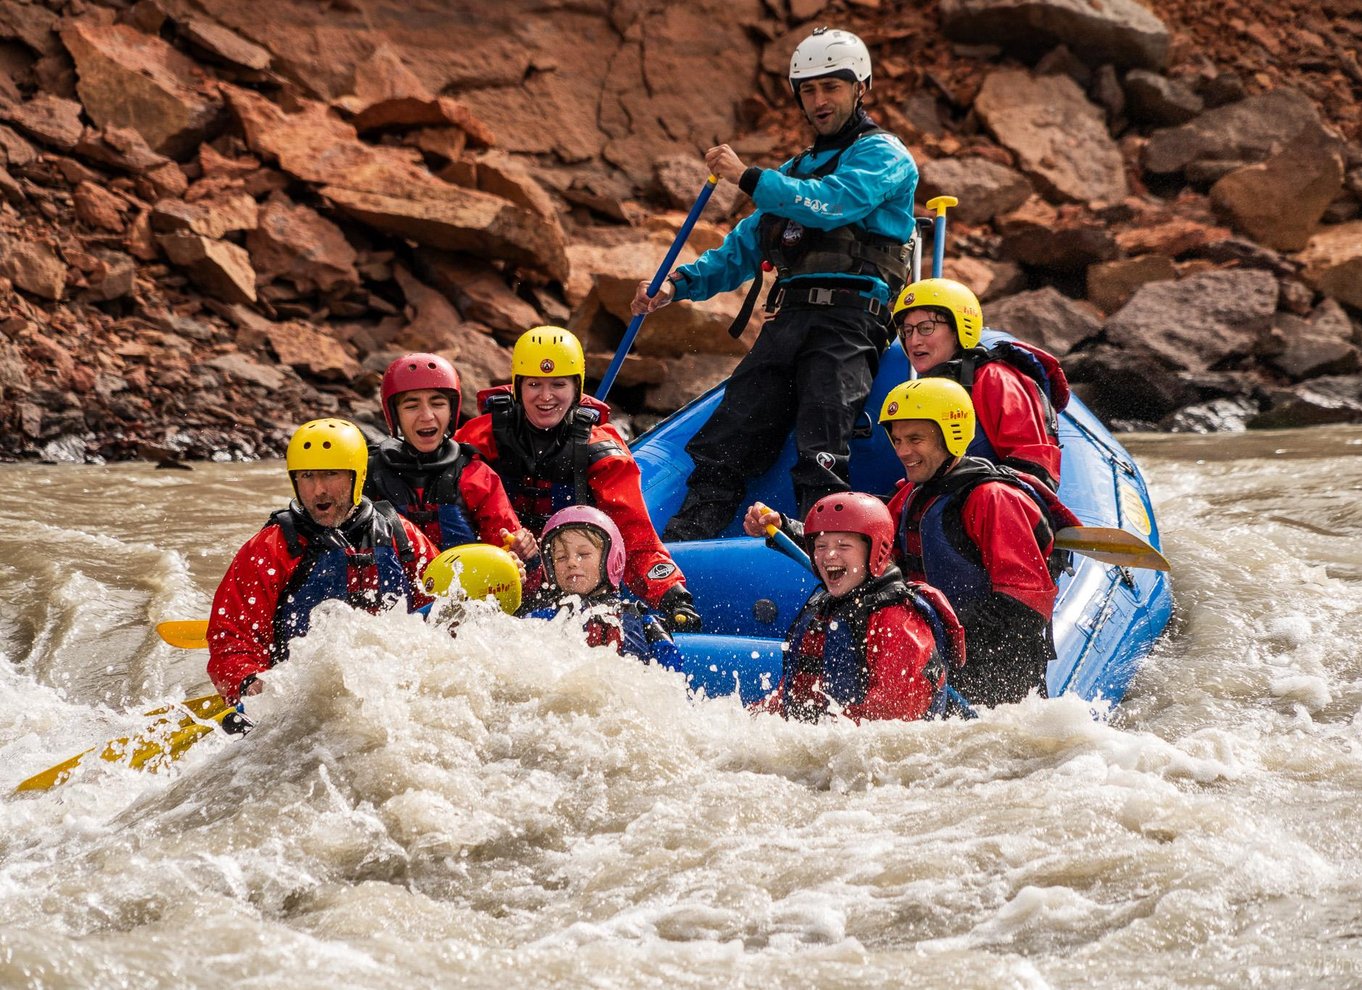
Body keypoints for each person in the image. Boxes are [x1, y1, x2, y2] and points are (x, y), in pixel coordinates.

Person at [631, 26, 918, 539]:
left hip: (851, 323)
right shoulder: (793, 172)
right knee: (729, 434)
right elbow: (742, 247)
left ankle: (829, 560)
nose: (819, 100)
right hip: (789, 321)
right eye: (808, 90)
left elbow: (834, 203)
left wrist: (747, 177)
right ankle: (682, 548)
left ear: (860, 87)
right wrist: (676, 284)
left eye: (831, 86)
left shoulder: (885, 155)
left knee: (822, 443)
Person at [747, 378, 1080, 707]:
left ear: (953, 435)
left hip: (994, 673)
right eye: (897, 440)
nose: (903, 451)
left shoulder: (993, 499)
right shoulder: (911, 495)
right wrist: (784, 529)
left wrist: (940, 630)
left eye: (916, 439)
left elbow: (1024, 607)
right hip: (931, 653)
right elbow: (866, 555)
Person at [454, 326, 700, 628]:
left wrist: (672, 596)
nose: (545, 397)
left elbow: (636, 538)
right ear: (517, 388)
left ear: (576, 389)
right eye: (534, 385)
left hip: (574, 576)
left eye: (558, 385)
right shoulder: (480, 437)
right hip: (502, 568)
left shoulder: (600, 450)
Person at [207, 418, 440, 705]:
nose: (318, 490)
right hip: (298, 697)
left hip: (392, 689)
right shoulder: (269, 549)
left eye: (331, 474)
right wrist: (250, 683)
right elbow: (231, 637)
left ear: (357, 475)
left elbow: (440, 604)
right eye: (307, 476)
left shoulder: (400, 535)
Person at [752, 492, 964, 723]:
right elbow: (794, 696)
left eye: (844, 545)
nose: (829, 555)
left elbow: (892, 721)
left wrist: (821, 735)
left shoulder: (900, 622)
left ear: (874, 551)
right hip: (838, 734)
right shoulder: (824, 610)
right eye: (820, 546)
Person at [892, 277, 1069, 489]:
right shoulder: (927, 389)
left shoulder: (996, 379)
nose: (913, 341)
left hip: (992, 506)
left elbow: (1034, 470)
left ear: (959, 328)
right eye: (907, 331)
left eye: (926, 328)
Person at [365, 352, 537, 563]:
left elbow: (506, 552)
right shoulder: (370, 474)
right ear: (394, 414)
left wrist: (522, 553)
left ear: (452, 410)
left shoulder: (476, 476)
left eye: (437, 404)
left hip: (465, 591)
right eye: (411, 406)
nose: (427, 416)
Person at [525, 506, 684, 670]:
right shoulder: (543, 620)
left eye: (584, 554)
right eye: (561, 557)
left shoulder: (639, 619)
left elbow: (672, 671)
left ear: (611, 558)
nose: (572, 562)